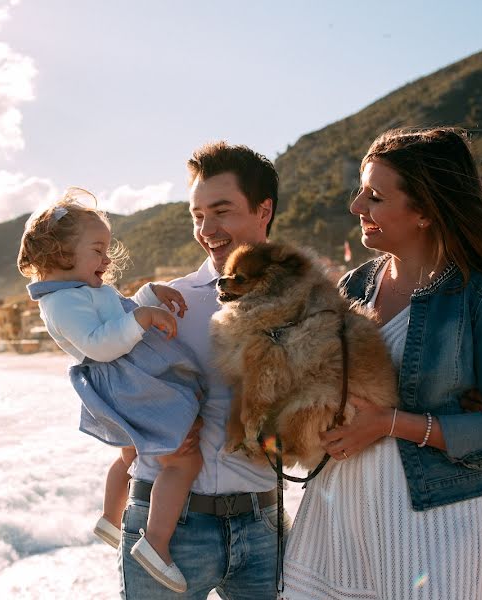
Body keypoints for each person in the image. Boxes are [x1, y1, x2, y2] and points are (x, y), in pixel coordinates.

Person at [281, 127, 482, 599]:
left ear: (424, 211)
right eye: (361, 191)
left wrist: (390, 423)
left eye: (376, 196)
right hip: (333, 519)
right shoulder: (354, 287)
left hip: (429, 527)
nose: (357, 206)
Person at [119, 141, 287, 599]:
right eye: (197, 215)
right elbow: (102, 391)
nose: (207, 229)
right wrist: (155, 422)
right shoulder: (161, 302)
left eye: (222, 211)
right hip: (167, 528)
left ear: (262, 210)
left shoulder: (304, 302)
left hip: (263, 525)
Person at [18, 188, 207, 593]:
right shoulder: (61, 304)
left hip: (129, 377)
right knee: (183, 458)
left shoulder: (81, 290)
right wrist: (142, 316)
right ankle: (155, 544)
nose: (107, 260)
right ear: (61, 254)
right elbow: (101, 343)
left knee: (131, 452)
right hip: (126, 381)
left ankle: (109, 518)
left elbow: (120, 311)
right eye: (98, 250)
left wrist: (150, 295)